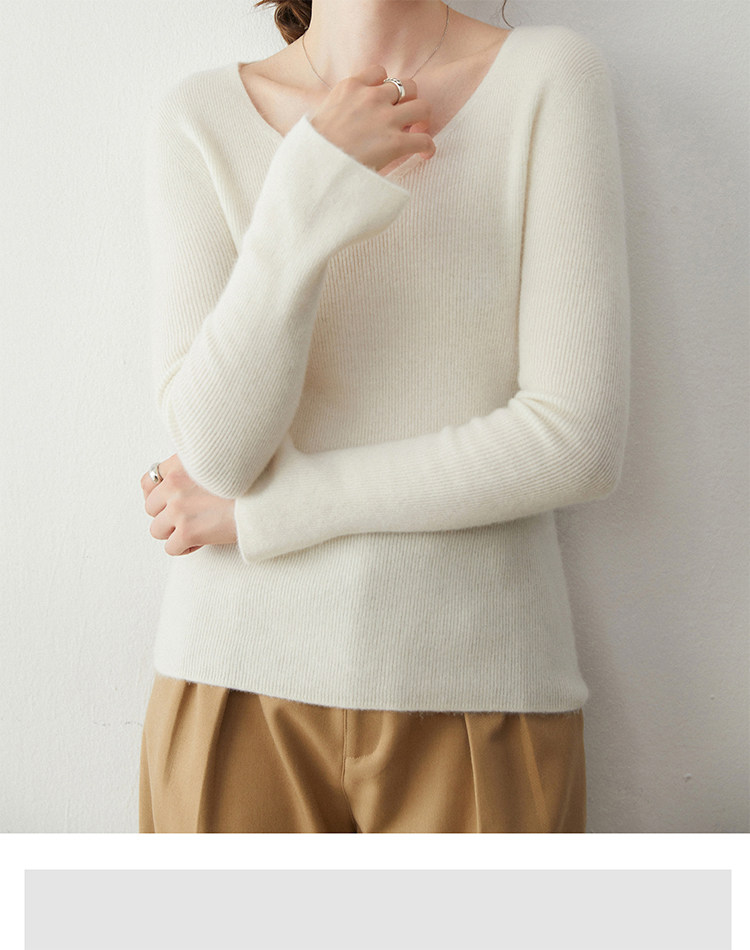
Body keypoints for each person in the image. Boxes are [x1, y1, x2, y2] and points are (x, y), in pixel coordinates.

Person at [138, 0, 630, 833]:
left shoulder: (549, 76)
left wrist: (266, 515)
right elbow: (218, 454)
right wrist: (307, 187)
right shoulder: (200, 115)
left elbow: (572, 442)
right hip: (229, 684)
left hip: (479, 689)